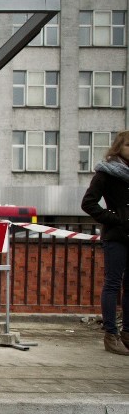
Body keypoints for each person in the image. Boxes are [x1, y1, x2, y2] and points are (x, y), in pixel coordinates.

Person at [81, 130, 129, 356]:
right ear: (119, 147)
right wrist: (115, 219)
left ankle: (127, 333)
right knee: (112, 283)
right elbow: (88, 203)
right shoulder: (107, 172)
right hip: (116, 236)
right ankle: (111, 334)